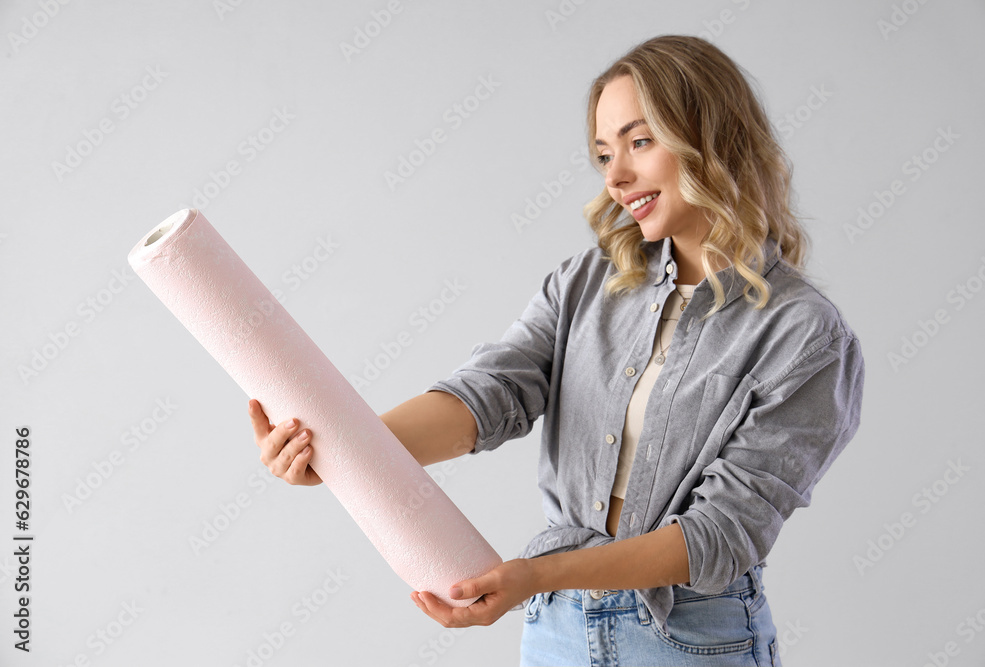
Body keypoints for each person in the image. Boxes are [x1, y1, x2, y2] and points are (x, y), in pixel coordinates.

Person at [249, 34, 865, 667]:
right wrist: (346, 451)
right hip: (560, 632)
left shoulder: (805, 336)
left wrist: (540, 575)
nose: (617, 177)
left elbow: (720, 535)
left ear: (713, 138)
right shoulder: (587, 283)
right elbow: (493, 394)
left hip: (694, 641)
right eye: (604, 154)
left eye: (640, 141)